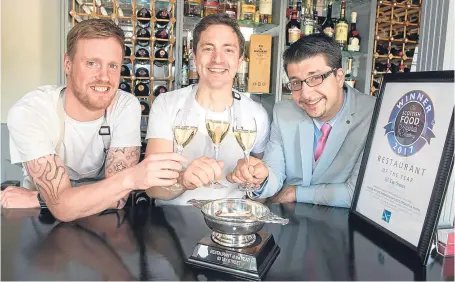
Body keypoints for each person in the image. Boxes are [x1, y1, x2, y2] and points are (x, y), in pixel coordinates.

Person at [1, 19, 186, 221]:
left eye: (113, 66)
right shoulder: (31, 112)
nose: (104, 77)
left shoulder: (125, 106)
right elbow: (64, 208)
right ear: (67, 64)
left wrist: (43, 198)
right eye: (92, 63)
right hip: (39, 222)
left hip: (102, 223)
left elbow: (118, 200)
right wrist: (130, 179)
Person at [228, 34, 376, 208]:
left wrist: (295, 193)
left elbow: (360, 193)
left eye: (315, 78)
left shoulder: (374, 113)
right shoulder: (283, 112)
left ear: (339, 77)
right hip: (289, 225)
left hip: (345, 228)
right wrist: (262, 177)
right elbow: (275, 172)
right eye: (296, 83)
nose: (306, 94)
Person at [144, 14, 270, 205]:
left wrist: (253, 176)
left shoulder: (256, 114)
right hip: (171, 223)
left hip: (232, 221)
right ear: (194, 57)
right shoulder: (166, 105)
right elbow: (152, 188)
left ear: (240, 60)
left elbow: (261, 189)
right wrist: (183, 181)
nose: (217, 59)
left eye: (228, 50)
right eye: (208, 48)